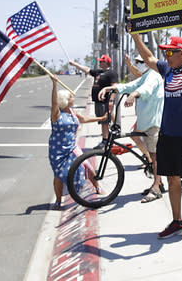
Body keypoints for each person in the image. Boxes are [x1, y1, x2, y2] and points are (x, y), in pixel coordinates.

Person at [130, 8, 182, 242]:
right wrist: (135, 36)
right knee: (172, 178)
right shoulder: (167, 70)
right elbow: (150, 58)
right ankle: (177, 220)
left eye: (170, 52)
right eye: (166, 52)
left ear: (181, 54)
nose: (166, 56)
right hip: (169, 134)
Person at [99, 55, 165, 203]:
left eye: (140, 62)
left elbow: (145, 90)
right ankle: (157, 179)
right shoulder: (145, 76)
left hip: (153, 122)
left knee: (155, 156)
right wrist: (112, 88)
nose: (138, 64)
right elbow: (131, 85)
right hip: (145, 121)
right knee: (137, 139)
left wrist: (134, 95)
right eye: (137, 62)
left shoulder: (153, 76)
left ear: (148, 63)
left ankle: (156, 187)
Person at [48, 74, 106, 210]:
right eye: (71, 97)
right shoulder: (56, 114)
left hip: (72, 147)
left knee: (87, 165)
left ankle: (97, 186)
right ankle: (58, 201)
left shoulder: (72, 112)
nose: (73, 98)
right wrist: (55, 85)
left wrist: (101, 118)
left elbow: (84, 119)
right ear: (65, 100)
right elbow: (54, 103)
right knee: (58, 175)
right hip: (58, 150)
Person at [69, 55, 118, 147]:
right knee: (105, 119)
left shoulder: (111, 73)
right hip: (97, 101)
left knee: (104, 121)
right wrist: (75, 64)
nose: (99, 63)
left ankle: (105, 140)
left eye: (101, 62)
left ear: (106, 63)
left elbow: (115, 87)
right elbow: (87, 70)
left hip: (105, 101)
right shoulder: (98, 72)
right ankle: (115, 129)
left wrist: (111, 100)